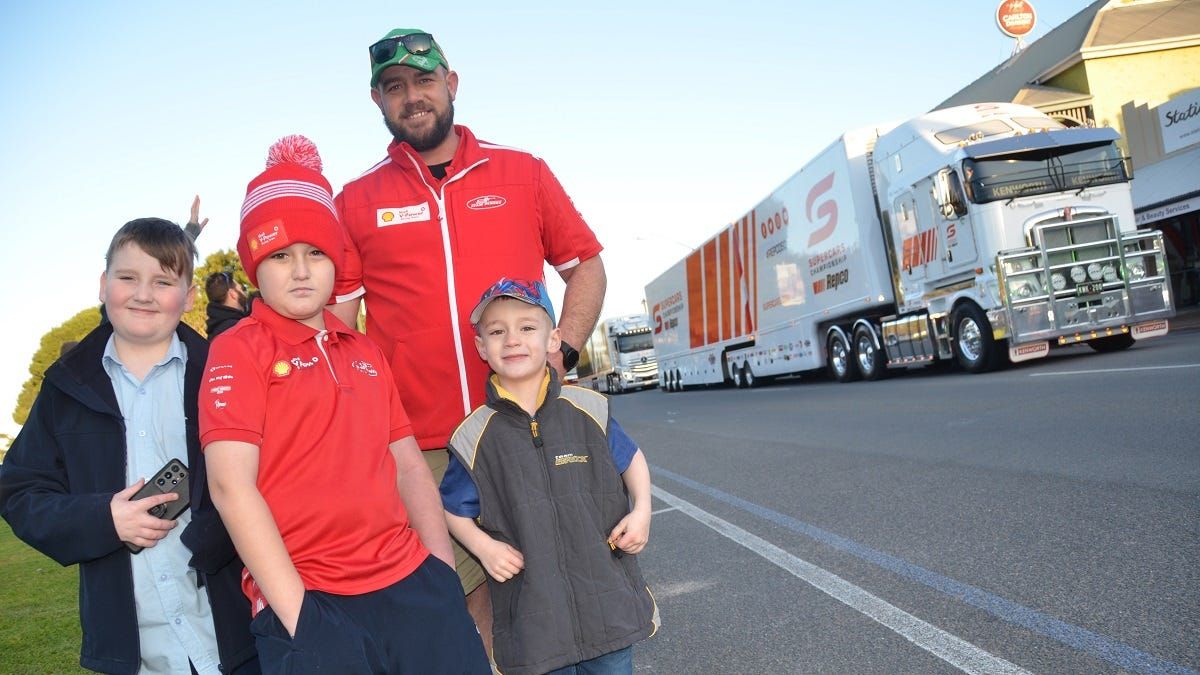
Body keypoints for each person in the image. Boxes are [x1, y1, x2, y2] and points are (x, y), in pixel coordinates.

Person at [329, 27, 609, 649]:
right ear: (377, 101)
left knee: (562, 584)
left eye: (424, 81)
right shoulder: (355, 201)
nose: (413, 97)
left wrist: (561, 347)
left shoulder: (522, 172)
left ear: (451, 85)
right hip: (425, 443)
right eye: (394, 87)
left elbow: (585, 264)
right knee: (465, 601)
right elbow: (340, 324)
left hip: (527, 423)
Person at [200, 135, 489, 674]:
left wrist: (442, 572)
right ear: (254, 265)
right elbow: (229, 486)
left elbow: (407, 464)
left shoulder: (364, 351)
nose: (302, 270)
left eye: (316, 253)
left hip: (412, 583)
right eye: (281, 255)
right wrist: (299, 615)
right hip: (311, 597)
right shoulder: (238, 349)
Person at [0, 218, 258, 674]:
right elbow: (19, 490)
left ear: (190, 296)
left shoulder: (225, 374)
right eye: (127, 278)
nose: (143, 294)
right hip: (133, 650)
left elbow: (274, 476)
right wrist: (102, 519)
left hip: (235, 631)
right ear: (103, 285)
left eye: (162, 281)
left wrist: (216, 532)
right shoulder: (65, 388)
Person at [441, 277, 658, 675]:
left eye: (527, 327)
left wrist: (641, 509)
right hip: (534, 625)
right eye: (496, 331)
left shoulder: (588, 409)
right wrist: (484, 548)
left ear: (553, 338)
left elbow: (633, 460)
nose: (512, 340)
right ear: (481, 348)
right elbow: (452, 508)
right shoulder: (474, 436)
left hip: (606, 607)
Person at [204, 271, 250, 339]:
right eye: (242, 289)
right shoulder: (240, 330)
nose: (245, 293)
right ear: (233, 294)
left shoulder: (213, 333)